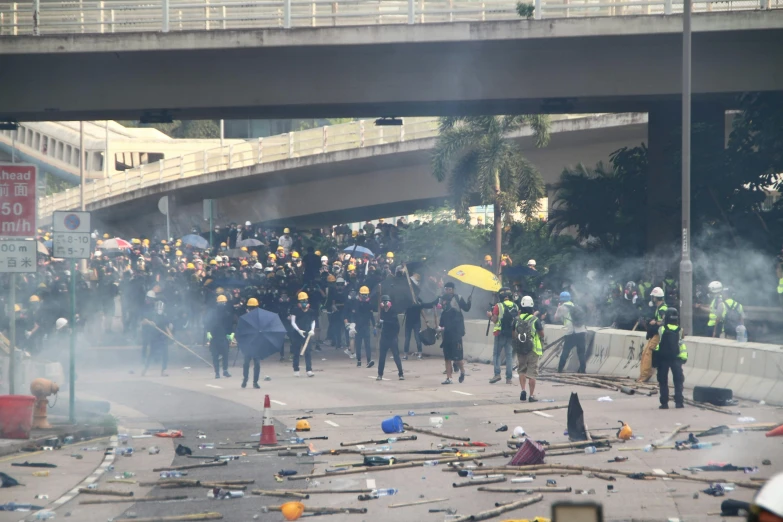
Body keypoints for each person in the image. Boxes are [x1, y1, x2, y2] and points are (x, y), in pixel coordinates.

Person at [653, 307, 687, 409]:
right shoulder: (680, 330)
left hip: (663, 358)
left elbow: (658, 337)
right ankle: (679, 402)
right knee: (678, 381)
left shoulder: (662, 329)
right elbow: (681, 342)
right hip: (676, 357)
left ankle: (664, 403)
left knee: (663, 381)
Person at [515, 296, 544, 402]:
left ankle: (523, 390)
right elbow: (541, 334)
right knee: (532, 373)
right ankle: (531, 396)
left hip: (520, 349)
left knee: (522, 370)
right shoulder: (535, 320)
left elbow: (513, 333)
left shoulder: (517, 320)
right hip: (533, 350)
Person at [489, 287, 519, 385]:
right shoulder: (515, 306)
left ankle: (497, 374)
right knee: (509, 356)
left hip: (499, 333)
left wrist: (490, 315)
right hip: (511, 334)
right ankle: (508, 378)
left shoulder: (498, 306)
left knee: (497, 354)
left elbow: (495, 320)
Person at [638, 286, 667, 383]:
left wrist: (655, 322)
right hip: (655, 334)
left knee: (648, 353)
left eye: (653, 297)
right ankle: (643, 374)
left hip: (660, 334)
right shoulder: (658, 308)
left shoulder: (663, 308)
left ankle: (645, 375)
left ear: (655, 297)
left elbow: (665, 321)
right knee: (645, 352)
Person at [555, 291, 587, 373]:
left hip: (571, 333)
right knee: (581, 353)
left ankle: (559, 370)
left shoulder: (561, 307)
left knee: (565, 352)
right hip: (582, 331)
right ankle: (583, 371)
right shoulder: (575, 306)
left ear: (561, 299)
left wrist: (558, 308)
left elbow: (556, 318)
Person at [438, 294, 466, 385]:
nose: (442, 302)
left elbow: (455, 326)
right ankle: (449, 378)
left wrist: (444, 328)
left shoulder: (455, 312)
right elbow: (441, 325)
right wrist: (438, 330)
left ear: (448, 301)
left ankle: (462, 371)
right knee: (447, 359)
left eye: (444, 301)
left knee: (458, 360)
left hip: (456, 338)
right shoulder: (443, 313)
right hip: (446, 339)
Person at [345, 286, 375, 368]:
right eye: (363, 295)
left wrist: (374, 325)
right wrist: (352, 325)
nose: (364, 296)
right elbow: (352, 315)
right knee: (358, 344)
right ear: (360, 294)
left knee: (367, 345)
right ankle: (359, 360)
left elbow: (371, 315)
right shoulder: (356, 303)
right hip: (358, 327)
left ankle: (369, 360)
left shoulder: (369, 304)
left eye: (366, 295)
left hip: (366, 326)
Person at [141, 297, 172, 377]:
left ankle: (164, 370)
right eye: (158, 308)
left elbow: (166, 327)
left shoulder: (164, 316)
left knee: (165, 354)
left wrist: (170, 335)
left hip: (163, 338)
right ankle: (145, 369)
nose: (160, 309)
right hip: (154, 337)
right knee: (151, 354)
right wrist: (150, 322)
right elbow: (143, 322)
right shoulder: (151, 314)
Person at [206, 294, 234, 379]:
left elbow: (230, 324)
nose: (222, 304)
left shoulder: (227, 313)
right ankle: (218, 372)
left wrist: (231, 333)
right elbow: (208, 323)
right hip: (215, 337)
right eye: (221, 302)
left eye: (223, 303)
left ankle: (223, 371)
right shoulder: (213, 313)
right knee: (217, 355)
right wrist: (208, 332)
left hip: (222, 337)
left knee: (223, 355)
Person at [377, 294, 404, 381]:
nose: (385, 304)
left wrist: (383, 321)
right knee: (382, 357)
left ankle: (401, 373)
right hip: (384, 336)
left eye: (386, 302)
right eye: (383, 302)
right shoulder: (381, 312)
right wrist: (378, 325)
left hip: (392, 337)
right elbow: (380, 325)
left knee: (396, 356)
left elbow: (394, 323)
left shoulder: (393, 311)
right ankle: (380, 374)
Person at [290, 291, 315, 377]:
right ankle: (296, 369)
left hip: (307, 333)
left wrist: (312, 330)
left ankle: (309, 370)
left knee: (308, 352)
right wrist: (298, 330)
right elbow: (293, 322)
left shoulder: (311, 311)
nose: (304, 303)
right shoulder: (295, 310)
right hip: (297, 333)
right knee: (296, 352)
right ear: (299, 303)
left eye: (305, 301)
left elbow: (313, 321)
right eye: (302, 301)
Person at [241, 298, 262, 389]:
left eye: (254, 308)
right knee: (246, 363)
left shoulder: (260, 318)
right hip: (247, 344)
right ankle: (245, 378)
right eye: (251, 308)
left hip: (256, 343)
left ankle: (255, 381)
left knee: (257, 363)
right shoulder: (245, 318)